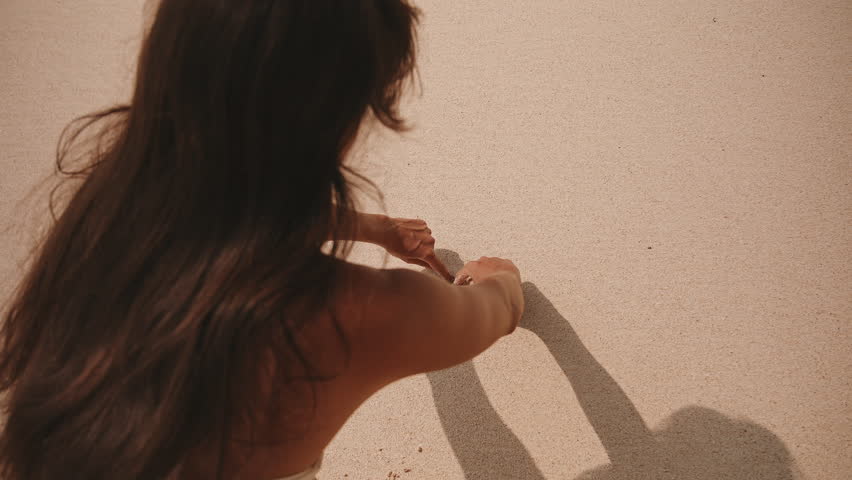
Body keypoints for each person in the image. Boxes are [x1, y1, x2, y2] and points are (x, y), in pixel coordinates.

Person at [0, 1, 525, 479]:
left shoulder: (107, 217)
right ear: (341, 116)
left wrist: (367, 228)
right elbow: (494, 311)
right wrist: (496, 281)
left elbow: (223, 206)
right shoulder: (361, 309)